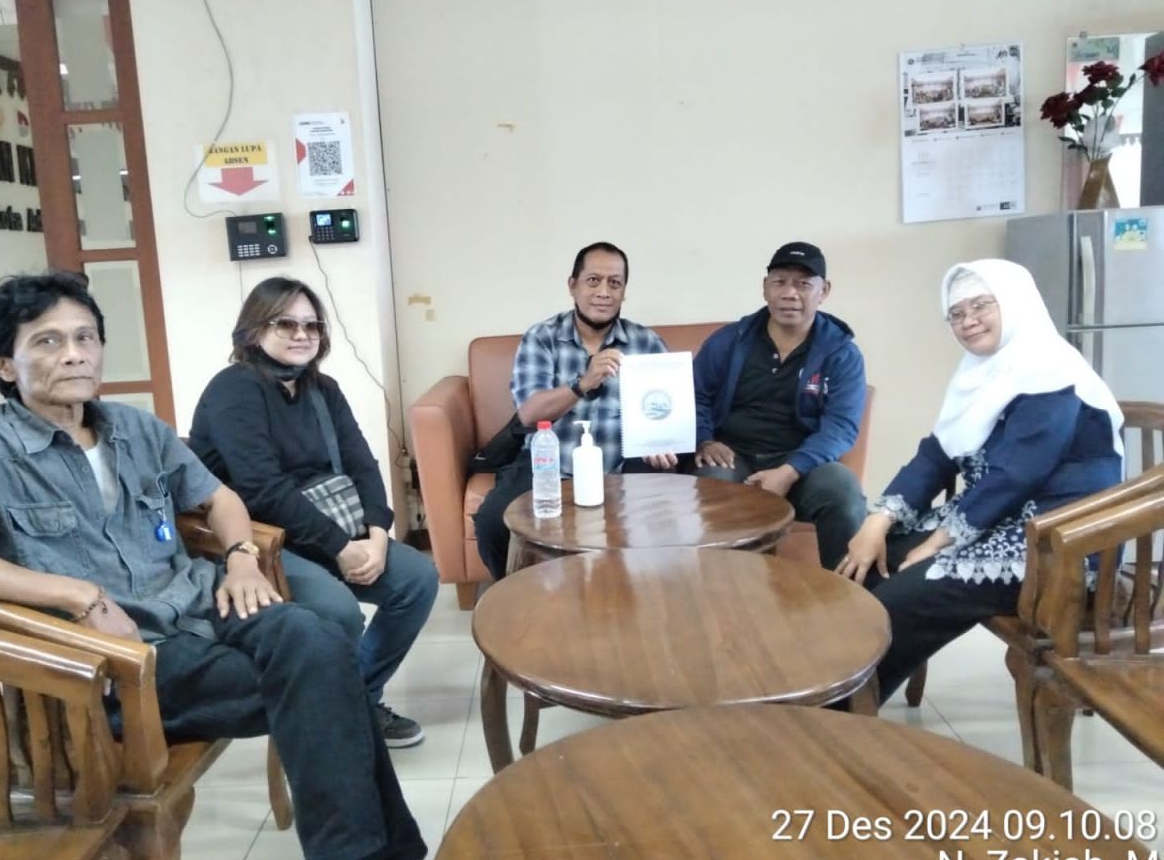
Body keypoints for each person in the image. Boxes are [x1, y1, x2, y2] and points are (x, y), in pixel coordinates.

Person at [0, 273, 426, 860]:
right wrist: (74, 593)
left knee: (319, 640)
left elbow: (220, 497)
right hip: (115, 661)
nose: (74, 354)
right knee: (327, 680)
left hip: (201, 603)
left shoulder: (135, 428)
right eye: (48, 341)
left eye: (86, 337)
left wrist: (241, 556)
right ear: (5, 365)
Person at [836, 259, 1124, 704]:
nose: (968, 321)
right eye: (956, 313)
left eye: (981, 306)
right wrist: (878, 521)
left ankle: (846, 712)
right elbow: (937, 454)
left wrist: (938, 542)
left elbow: (1019, 473)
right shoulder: (981, 371)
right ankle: (829, 693)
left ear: (1015, 303)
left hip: (1060, 539)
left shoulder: (1050, 369)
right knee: (864, 565)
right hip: (997, 516)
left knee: (904, 598)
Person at [190, 276, 437, 748]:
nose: (302, 334)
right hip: (258, 536)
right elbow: (262, 490)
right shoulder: (233, 390)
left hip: (322, 525)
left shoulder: (322, 388)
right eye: (285, 323)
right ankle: (335, 715)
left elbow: (363, 465)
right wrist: (340, 547)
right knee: (336, 610)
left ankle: (357, 700)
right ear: (254, 330)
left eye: (312, 325)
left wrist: (377, 535)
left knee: (417, 580)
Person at [473, 241, 673, 579]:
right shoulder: (543, 337)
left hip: (622, 465)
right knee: (493, 522)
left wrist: (662, 443)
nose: (604, 292)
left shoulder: (646, 342)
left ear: (624, 291)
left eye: (615, 283)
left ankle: (632, 594)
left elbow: (666, 410)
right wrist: (583, 383)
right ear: (573, 285)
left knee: (665, 520)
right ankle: (516, 593)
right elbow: (529, 413)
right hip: (548, 463)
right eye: (593, 280)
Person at [691, 242, 867, 570]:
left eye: (803, 284)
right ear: (765, 288)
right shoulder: (729, 340)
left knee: (842, 490)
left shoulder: (841, 352)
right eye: (780, 282)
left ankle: (847, 591)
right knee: (711, 481)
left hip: (803, 464)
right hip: (734, 456)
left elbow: (841, 426)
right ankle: (728, 590)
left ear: (824, 291)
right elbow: (696, 395)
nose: (789, 293)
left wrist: (789, 471)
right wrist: (705, 439)